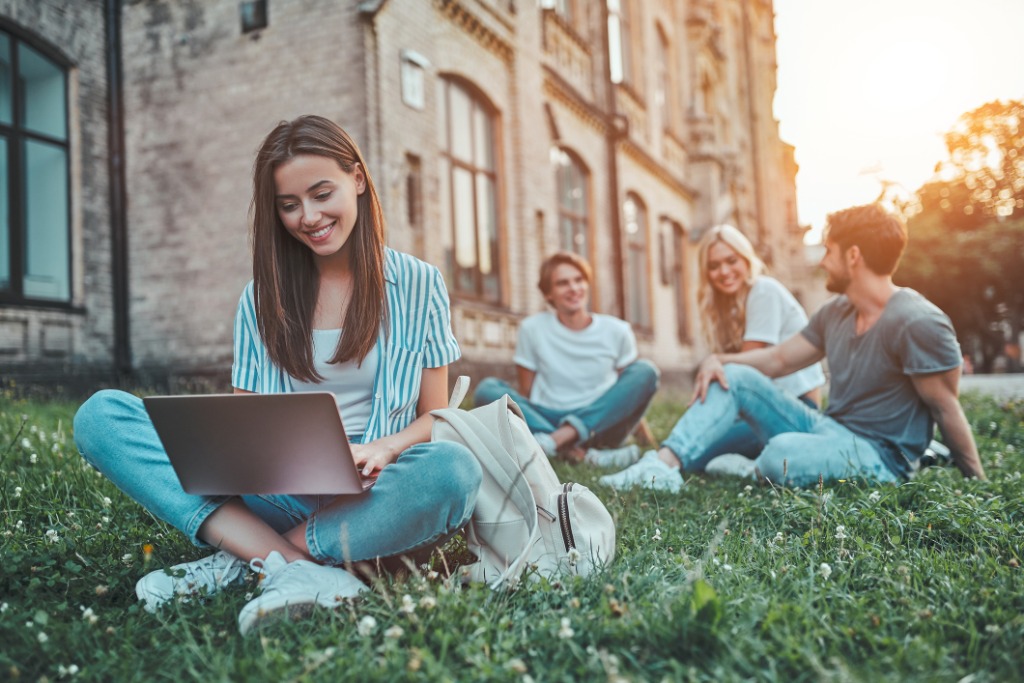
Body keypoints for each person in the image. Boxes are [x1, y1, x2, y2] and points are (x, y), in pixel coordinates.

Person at [73, 115, 482, 634]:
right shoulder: (261, 299)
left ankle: (258, 559)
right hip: (282, 493)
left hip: (379, 492)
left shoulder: (420, 283)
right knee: (100, 416)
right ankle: (305, 569)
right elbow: (243, 426)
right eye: (289, 205)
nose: (308, 217)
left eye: (320, 193)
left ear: (357, 179)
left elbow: (438, 415)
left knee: (452, 469)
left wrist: (384, 449)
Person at [600, 203, 986, 492]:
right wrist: (720, 359)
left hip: (881, 456)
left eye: (829, 251)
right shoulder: (835, 311)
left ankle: (747, 466)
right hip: (829, 427)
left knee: (778, 453)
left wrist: (978, 484)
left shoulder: (918, 321)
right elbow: (778, 358)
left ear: (853, 257)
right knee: (736, 376)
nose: (822, 261)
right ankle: (662, 467)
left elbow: (944, 406)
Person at [473, 251, 659, 467]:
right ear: (548, 294)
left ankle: (556, 442)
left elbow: (625, 394)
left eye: (579, 280)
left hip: (599, 423)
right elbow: (526, 392)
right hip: (548, 418)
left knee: (646, 371)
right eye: (562, 283)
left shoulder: (618, 330)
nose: (573, 288)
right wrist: (530, 422)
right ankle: (584, 454)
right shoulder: (532, 329)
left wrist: (647, 440)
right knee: (488, 390)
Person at [691, 225, 825, 469]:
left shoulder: (764, 290)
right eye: (714, 266)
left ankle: (666, 461)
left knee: (696, 452)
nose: (724, 271)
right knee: (699, 440)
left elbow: (746, 374)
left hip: (795, 408)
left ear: (746, 259)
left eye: (731, 261)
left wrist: (715, 360)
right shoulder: (726, 307)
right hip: (758, 409)